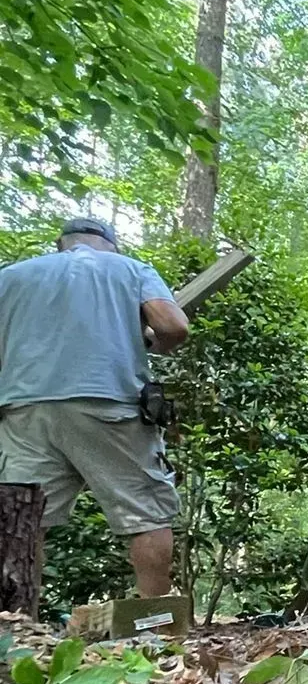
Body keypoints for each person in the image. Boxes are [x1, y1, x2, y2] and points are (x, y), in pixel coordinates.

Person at [0, 218, 189, 597]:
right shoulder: (131, 269)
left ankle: (16, 630)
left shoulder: (11, 276)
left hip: (24, 409)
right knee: (145, 513)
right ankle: (155, 628)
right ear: (111, 245)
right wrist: (152, 343)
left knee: (24, 521)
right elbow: (174, 327)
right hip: (108, 403)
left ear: (61, 244)